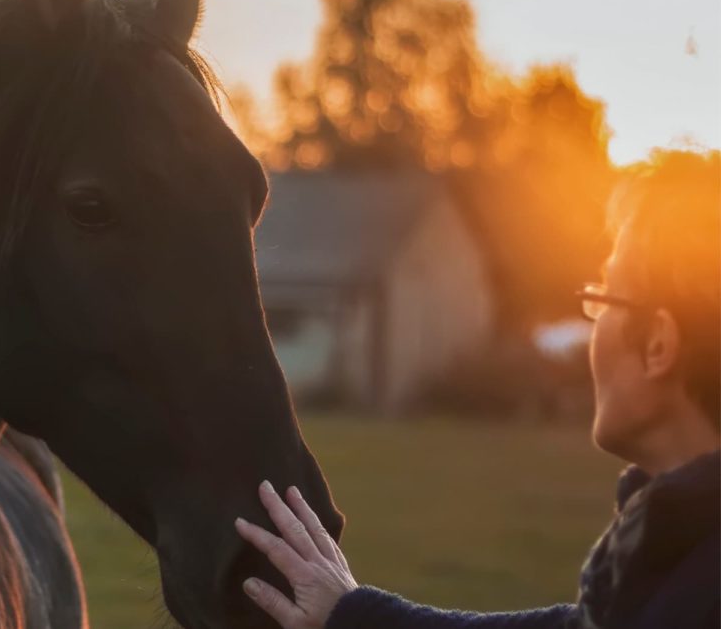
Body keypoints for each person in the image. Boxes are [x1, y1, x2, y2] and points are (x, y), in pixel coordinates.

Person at [235, 150, 720, 629]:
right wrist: (353, 613)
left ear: (658, 345)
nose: (595, 330)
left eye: (605, 297)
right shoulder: (673, 561)